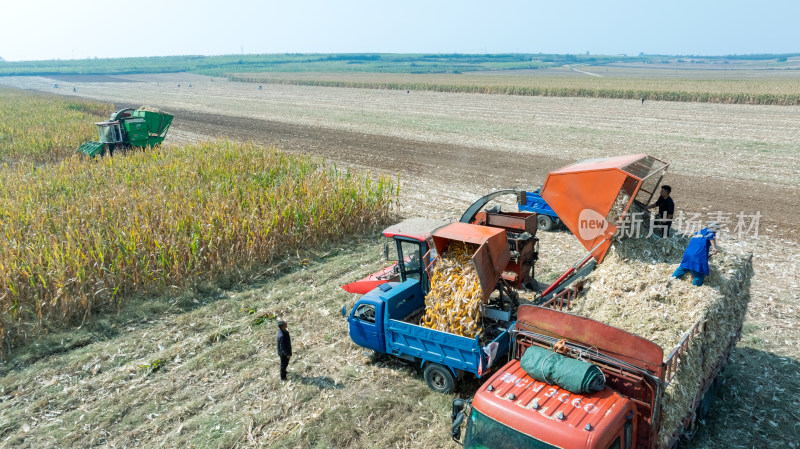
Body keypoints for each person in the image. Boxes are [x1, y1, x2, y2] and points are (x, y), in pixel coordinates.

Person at [672, 222, 719, 286]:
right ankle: (695, 287)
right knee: (698, 273)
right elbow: (712, 238)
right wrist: (714, 248)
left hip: (688, 253)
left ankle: (672, 279)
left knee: (683, 267)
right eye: (717, 230)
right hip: (697, 255)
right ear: (714, 228)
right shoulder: (710, 232)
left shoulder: (698, 232)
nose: (716, 232)